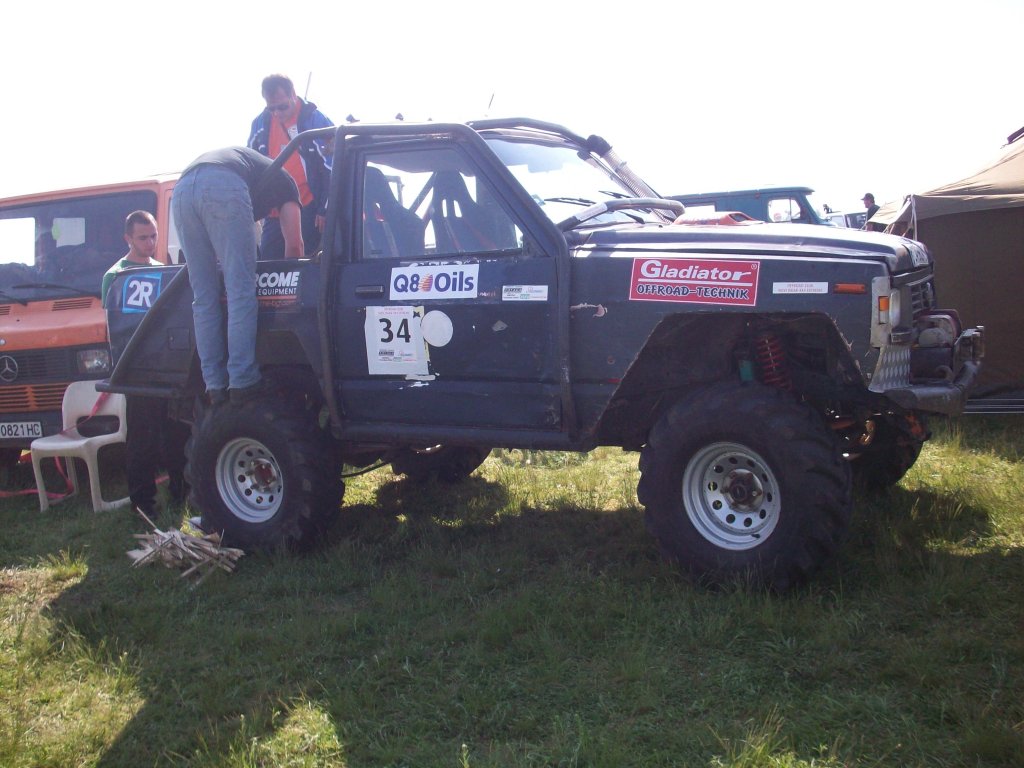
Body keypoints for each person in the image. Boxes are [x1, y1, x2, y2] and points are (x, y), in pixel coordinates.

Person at [172, 147, 303, 406]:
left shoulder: (256, 173)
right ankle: (243, 381)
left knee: (204, 297)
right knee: (240, 291)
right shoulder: (287, 183)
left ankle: (214, 384)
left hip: (182, 189)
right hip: (222, 183)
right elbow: (295, 246)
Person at [102, 210, 188, 516]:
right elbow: (112, 327)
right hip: (137, 372)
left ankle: (181, 494)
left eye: (153, 236)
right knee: (142, 438)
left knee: (177, 433)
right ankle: (143, 503)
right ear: (128, 238)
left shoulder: (163, 271)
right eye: (143, 238)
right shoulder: (116, 276)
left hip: (168, 368)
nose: (150, 243)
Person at [247, 73, 333, 259]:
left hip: (309, 206)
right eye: (271, 108)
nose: (277, 113)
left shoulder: (315, 120)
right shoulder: (260, 125)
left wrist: (325, 208)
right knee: (268, 262)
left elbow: (332, 166)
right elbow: (250, 164)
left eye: (282, 106)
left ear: (293, 94)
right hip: (275, 208)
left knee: (303, 262)